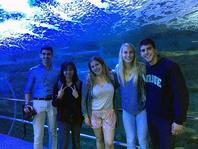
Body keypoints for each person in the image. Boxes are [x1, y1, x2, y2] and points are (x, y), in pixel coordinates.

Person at [139, 38, 189, 149]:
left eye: (149, 49)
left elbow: (181, 93)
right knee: (155, 146)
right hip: (151, 118)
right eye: (143, 50)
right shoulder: (145, 68)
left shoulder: (170, 66)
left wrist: (178, 120)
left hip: (167, 120)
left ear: (155, 50)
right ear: (140, 54)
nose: (146, 52)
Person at [24, 46, 59, 149]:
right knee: (38, 133)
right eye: (43, 54)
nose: (46, 56)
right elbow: (27, 89)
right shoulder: (33, 70)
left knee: (53, 132)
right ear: (40, 55)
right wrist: (27, 104)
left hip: (53, 103)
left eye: (48, 54)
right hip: (38, 104)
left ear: (52, 55)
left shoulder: (57, 70)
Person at [115, 43, 148, 149]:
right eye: (125, 52)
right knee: (130, 139)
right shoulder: (118, 69)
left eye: (131, 52)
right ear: (121, 54)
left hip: (142, 109)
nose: (128, 55)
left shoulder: (141, 67)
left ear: (134, 53)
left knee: (142, 139)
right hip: (127, 110)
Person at [82, 56, 118, 149]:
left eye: (97, 64)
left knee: (109, 142)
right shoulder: (89, 81)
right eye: (92, 66)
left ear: (102, 64)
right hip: (94, 114)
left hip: (109, 113)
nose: (95, 68)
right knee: (99, 139)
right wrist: (86, 116)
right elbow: (83, 100)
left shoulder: (112, 76)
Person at [52, 61, 83, 149]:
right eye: (65, 70)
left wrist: (77, 97)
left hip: (77, 117)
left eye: (70, 70)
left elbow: (83, 103)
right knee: (63, 144)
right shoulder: (58, 84)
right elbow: (54, 104)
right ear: (62, 71)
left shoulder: (79, 84)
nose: (68, 72)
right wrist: (59, 97)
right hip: (63, 118)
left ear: (74, 71)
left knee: (76, 143)